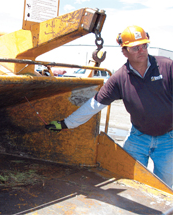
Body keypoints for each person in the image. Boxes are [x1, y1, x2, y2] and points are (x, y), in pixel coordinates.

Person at [45, 25, 173, 189]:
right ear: (124, 51)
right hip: (138, 138)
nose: (141, 50)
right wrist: (65, 123)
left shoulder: (167, 67)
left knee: (165, 188)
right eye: (135, 48)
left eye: (144, 45)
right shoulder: (120, 78)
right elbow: (94, 105)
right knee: (131, 182)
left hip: (168, 140)